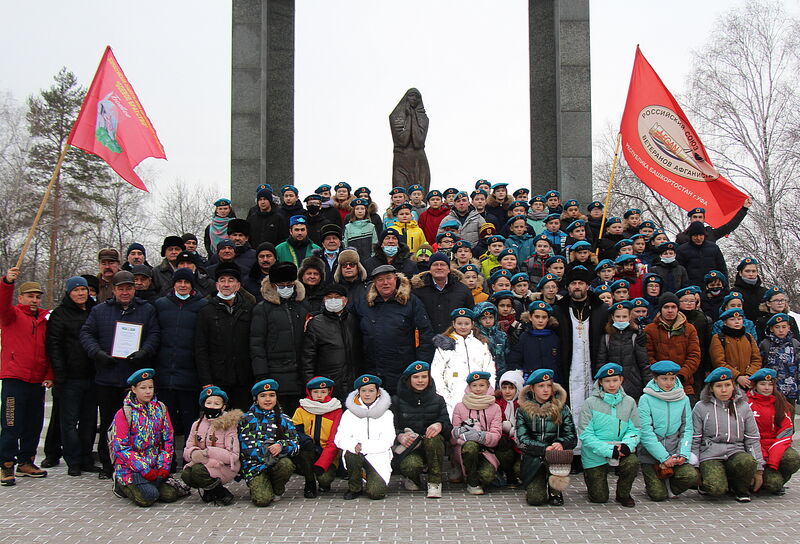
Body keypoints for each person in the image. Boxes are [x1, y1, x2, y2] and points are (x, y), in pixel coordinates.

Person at [80, 270, 160, 479]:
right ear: (113, 290)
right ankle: (108, 464)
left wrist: (144, 352)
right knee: (109, 423)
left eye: (129, 287)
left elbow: (154, 334)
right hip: (107, 375)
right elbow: (86, 334)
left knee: (136, 423)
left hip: (135, 378)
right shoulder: (99, 311)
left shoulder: (146, 310)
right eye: (121, 288)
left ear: (135, 289)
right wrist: (97, 354)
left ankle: (134, 462)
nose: (125, 292)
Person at [0, 268, 51, 486]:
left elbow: (51, 349)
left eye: (38, 296)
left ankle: (26, 461)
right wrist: (7, 282)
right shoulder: (11, 315)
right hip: (14, 378)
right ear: (20, 297)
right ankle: (5, 465)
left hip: (37, 380)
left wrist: (50, 374)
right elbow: (2, 303)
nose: (34, 300)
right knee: (12, 424)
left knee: (33, 424)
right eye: (30, 296)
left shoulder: (45, 319)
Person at [351, 265, 434, 395]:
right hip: (372, 370)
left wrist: (421, 366)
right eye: (380, 279)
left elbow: (425, 333)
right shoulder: (363, 302)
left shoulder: (410, 301)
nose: (385, 283)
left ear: (396, 279)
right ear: (374, 283)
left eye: (389, 278)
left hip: (402, 370)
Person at [45, 276, 97, 477]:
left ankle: (86, 458)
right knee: (69, 422)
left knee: (89, 420)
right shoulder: (60, 314)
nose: (81, 293)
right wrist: (60, 373)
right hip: (70, 377)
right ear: (69, 293)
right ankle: (73, 460)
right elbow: (54, 345)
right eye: (76, 290)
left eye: (83, 290)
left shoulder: (95, 311)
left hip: (92, 375)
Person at [551, 266, 608, 449]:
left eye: (581, 283)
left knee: (594, 408)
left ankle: (593, 450)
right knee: (572, 406)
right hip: (570, 364)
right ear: (568, 287)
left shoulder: (600, 309)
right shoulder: (558, 310)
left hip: (593, 363)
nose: (577, 287)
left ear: (587, 286)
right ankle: (573, 449)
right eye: (573, 283)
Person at [153, 269, 208, 442]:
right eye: (179, 282)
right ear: (174, 284)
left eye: (186, 282)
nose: (182, 285)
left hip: (189, 374)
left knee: (190, 421)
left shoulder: (202, 305)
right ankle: (166, 458)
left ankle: (188, 457)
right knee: (165, 421)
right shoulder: (161, 304)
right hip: (164, 373)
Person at [692, 367, 763, 502]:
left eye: (727, 385)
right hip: (710, 454)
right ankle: (712, 483)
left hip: (736, 451)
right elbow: (695, 438)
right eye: (719, 386)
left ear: (733, 386)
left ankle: (740, 488)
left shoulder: (744, 407)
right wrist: (695, 466)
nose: (724, 390)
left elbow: (752, 439)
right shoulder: (701, 407)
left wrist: (758, 469)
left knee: (747, 462)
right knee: (716, 489)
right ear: (711, 388)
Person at [109, 368, 178, 507]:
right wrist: (144, 469)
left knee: (171, 495)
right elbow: (121, 448)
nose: (148, 391)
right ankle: (121, 484)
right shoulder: (124, 413)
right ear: (134, 389)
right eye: (143, 388)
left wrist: (163, 466)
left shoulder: (161, 409)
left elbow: (168, 440)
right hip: (131, 468)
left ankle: (150, 484)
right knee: (148, 497)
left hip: (154, 465)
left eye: (150, 387)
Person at [250, 262, 311, 415]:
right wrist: (262, 375)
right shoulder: (262, 309)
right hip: (275, 373)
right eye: (281, 285)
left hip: (300, 374)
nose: (286, 288)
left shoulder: (302, 306)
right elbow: (257, 344)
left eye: (289, 284)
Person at [578, 363, 641, 507]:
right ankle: (592, 481)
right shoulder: (590, 403)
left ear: (621, 380)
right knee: (599, 498)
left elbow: (635, 429)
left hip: (620, 450)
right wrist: (608, 450)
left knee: (632, 462)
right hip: (595, 454)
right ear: (600, 382)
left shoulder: (629, 402)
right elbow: (585, 434)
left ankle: (623, 494)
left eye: (615, 380)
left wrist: (626, 445)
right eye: (607, 381)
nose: (611, 384)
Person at [195, 263, 255, 411]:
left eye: (231, 280)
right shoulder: (206, 311)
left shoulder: (249, 309)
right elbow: (200, 348)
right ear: (217, 285)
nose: (226, 284)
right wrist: (206, 381)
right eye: (222, 280)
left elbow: (254, 343)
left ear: (238, 285)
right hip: (217, 378)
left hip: (243, 378)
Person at [637, 361, 697, 502]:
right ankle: (655, 484)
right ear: (655, 379)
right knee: (658, 495)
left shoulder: (683, 399)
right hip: (651, 455)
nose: (669, 383)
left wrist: (683, 453)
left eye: (672, 378)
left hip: (675, 452)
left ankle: (671, 484)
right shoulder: (645, 399)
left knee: (690, 476)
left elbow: (687, 428)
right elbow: (645, 433)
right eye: (664, 379)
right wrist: (663, 458)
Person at [516, 369, 577, 506]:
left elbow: (572, 436)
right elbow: (521, 439)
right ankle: (537, 483)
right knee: (536, 500)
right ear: (532, 388)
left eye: (549, 386)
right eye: (541, 386)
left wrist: (560, 443)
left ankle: (555, 490)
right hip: (534, 458)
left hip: (556, 458)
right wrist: (544, 448)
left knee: (555, 501)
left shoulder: (562, 408)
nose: (545, 390)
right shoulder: (523, 410)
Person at [391, 362, 452, 498]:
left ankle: (435, 482)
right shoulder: (396, 401)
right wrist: (399, 436)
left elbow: (449, 428)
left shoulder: (438, 400)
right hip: (411, 446)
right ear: (408, 380)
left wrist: (440, 425)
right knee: (410, 466)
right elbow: (390, 427)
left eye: (424, 376)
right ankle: (413, 477)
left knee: (434, 439)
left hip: (432, 445)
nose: (420, 381)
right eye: (416, 377)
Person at [238, 378, 300, 506]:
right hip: (255, 466)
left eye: (272, 395)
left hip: (276, 462)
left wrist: (281, 446)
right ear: (256, 399)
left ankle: (277, 489)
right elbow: (244, 448)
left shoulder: (284, 419)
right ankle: (261, 486)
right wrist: (267, 454)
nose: (268, 399)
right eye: (263, 396)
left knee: (286, 465)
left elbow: (296, 444)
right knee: (263, 500)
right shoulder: (246, 419)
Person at [334, 374, 395, 500]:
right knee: (350, 453)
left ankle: (370, 477)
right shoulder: (349, 413)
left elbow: (388, 439)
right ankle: (355, 487)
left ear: (378, 392)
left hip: (377, 457)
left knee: (376, 494)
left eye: (371, 391)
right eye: (363, 391)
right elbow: (339, 437)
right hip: (356, 454)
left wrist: (364, 446)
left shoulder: (387, 414)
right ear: (358, 392)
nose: (367, 394)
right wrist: (352, 445)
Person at [300, 284, 364, 401]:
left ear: (345, 300)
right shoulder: (316, 323)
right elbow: (308, 358)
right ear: (324, 300)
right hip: (327, 385)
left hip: (353, 382)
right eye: (329, 297)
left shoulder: (353, 320)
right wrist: (310, 384)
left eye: (337, 297)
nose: (333, 300)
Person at [181, 386, 241, 505]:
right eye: (208, 403)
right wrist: (193, 453)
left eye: (216, 403)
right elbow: (187, 449)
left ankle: (221, 492)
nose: (212, 406)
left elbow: (233, 456)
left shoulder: (229, 425)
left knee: (197, 470)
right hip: (203, 464)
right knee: (187, 474)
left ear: (223, 407)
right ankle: (209, 491)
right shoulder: (196, 425)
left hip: (224, 465)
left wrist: (207, 453)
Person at [431, 308, 496, 416]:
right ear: (453, 324)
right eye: (459, 323)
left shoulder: (480, 343)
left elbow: (489, 368)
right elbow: (436, 372)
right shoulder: (445, 345)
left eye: (466, 323)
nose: (463, 327)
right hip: (454, 395)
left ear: (472, 324)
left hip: (479, 394)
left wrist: (489, 390)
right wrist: (444, 395)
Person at [746, 368, 800, 495]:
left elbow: (786, 431)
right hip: (754, 448)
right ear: (755, 385)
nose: (766, 388)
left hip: (774, 448)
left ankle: (777, 479)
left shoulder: (781, 404)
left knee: (792, 459)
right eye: (762, 384)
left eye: (770, 385)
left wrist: (773, 459)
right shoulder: (747, 404)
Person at [450, 371, 503, 495]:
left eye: (481, 385)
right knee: (471, 446)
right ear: (469, 387)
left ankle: (477, 473)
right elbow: (453, 434)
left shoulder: (495, 407)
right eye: (474, 385)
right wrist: (463, 433)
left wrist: (481, 436)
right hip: (464, 448)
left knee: (487, 477)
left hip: (486, 449)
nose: (478, 389)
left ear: (488, 386)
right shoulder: (460, 406)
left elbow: (496, 434)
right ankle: (472, 482)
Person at [291, 377, 343, 498]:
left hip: (328, 453)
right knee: (305, 451)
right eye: (315, 392)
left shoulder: (336, 410)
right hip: (309, 450)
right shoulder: (301, 409)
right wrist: (306, 441)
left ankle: (324, 481)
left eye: (323, 392)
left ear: (329, 392)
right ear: (309, 392)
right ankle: (309, 482)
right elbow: (294, 432)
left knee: (324, 479)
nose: (319, 395)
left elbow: (334, 440)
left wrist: (322, 463)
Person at [644, 293, 701, 402]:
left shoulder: (689, 329)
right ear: (660, 309)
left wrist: (681, 375)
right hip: (658, 385)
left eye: (673, 307)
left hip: (684, 384)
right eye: (666, 307)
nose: (670, 311)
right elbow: (648, 356)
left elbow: (694, 356)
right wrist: (662, 376)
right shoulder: (650, 330)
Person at [596, 301, 650, 400]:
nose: (621, 320)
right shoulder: (606, 338)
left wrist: (648, 387)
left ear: (630, 317)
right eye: (618, 317)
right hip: (612, 387)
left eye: (624, 317)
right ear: (612, 317)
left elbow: (644, 364)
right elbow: (600, 363)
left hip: (634, 386)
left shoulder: (635, 336)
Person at [411, 252, 475, 334]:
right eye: (435, 264)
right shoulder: (418, 290)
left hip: (455, 339)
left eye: (443, 264)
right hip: (427, 339)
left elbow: (470, 315)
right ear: (429, 269)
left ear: (449, 269)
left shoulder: (463, 290)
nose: (439, 267)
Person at [758, 313, 800, 417]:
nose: (781, 330)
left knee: (789, 421)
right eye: (777, 327)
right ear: (771, 329)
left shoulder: (795, 344)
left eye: (784, 327)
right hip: (772, 390)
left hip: (791, 390)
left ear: (789, 328)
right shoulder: (765, 344)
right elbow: (760, 365)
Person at [507, 301, 560, 383]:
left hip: (551, 381)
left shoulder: (554, 337)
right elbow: (514, 360)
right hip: (530, 380)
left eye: (544, 317)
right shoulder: (523, 337)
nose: (540, 320)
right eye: (537, 317)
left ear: (548, 319)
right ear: (530, 317)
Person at [710, 308, 762, 390]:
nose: (737, 322)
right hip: (728, 382)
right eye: (732, 319)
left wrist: (749, 375)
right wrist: (737, 376)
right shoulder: (718, 338)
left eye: (739, 319)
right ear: (725, 322)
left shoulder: (748, 337)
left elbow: (756, 359)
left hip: (749, 382)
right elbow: (719, 362)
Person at [390, 88, 430, 192]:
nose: (414, 99)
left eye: (417, 97)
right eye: (411, 95)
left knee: (421, 195)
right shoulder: (395, 116)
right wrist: (408, 117)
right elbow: (403, 141)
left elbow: (418, 142)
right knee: (400, 193)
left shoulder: (424, 118)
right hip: (401, 160)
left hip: (418, 161)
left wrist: (412, 116)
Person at [494, 369, 524, 487]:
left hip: (520, 442)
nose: (507, 391)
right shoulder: (496, 403)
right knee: (504, 450)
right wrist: (503, 428)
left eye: (511, 388)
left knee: (521, 470)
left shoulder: (524, 404)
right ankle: (508, 474)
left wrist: (516, 430)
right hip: (504, 442)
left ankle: (518, 472)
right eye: (504, 387)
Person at [676, 222, 728, 287]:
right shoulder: (681, 250)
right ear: (691, 236)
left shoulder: (714, 248)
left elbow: (722, 269)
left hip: (713, 287)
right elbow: (679, 274)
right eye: (695, 236)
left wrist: (725, 287)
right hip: (692, 289)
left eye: (701, 235)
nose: (698, 238)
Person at [674, 201, 751, 244]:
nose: (697, 219)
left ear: (704, 219)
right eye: (695, 217)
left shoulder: (711, 233)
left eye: (700, 217)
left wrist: (744, 209)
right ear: (690, 219)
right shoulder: (681, 237)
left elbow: (730, 226)